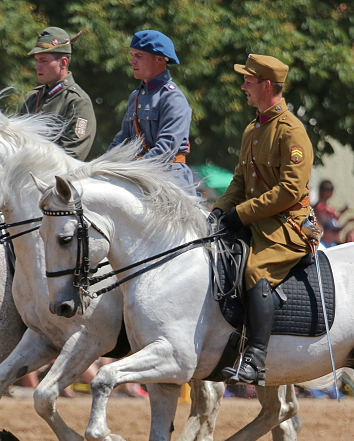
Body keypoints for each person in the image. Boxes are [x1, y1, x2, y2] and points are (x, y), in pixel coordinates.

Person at [211, 54, 312, 385]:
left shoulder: (291, 131)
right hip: (254, 222)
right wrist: (218, 211)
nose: (243, 87)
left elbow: (289, 191)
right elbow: (240, 182)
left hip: (286, 228)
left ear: (267, 86)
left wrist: (240, 214)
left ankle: (255, 358)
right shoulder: (253, 129)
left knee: (256, 271)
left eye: (248, 82)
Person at [109, 30, 194, 190]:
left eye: (139, 56)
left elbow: (166, 148)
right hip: (139, 175)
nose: (132, 61)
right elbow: (123, 140)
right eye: (132, 55)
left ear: (160, 59)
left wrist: (134, 170)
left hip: (169, 178)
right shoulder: (136, 96)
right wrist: (103, 165)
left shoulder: (172, 98)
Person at [22, 27, 96, 161]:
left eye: (43, 61)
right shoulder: (32, 98)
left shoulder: (77, 102)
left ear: (63, 62)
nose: (37, 66)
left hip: (55, 180)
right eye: (36, 60)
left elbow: (73, 155)